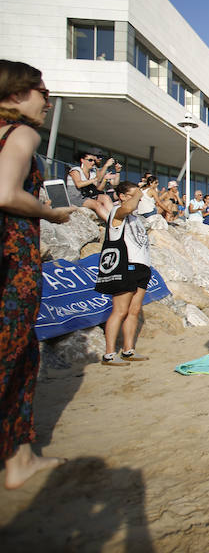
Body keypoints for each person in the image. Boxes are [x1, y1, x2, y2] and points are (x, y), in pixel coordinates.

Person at [0, 60, 75, 488]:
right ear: (15, 95)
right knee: (15, 355)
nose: (48, 102)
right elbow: (7, 193)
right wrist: (50, 213)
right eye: (42, 94)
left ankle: (20, 457)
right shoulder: (20, 133)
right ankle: (19, 462)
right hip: (13, 260)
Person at [94, 181, 152, 366]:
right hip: (125, 266)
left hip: (142, 267)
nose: (139, 198)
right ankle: (109, 354)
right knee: (120, 310)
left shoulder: (136, 218)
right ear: (123, 196)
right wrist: (137, 195)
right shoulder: (117, 212)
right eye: (134, 194)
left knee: (134, 311)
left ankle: (128, 350)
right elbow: (126, 208)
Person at [66, 149, 114, 220]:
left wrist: (105, 179)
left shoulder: (92, 173)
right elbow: (78, 184)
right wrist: (94, 179)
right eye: (90, 160)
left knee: (105, 197)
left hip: (87, 196)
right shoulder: (75, 170)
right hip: (75, 198)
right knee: (97, 204)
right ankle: (112, 225)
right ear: (82, 160)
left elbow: (99, 188)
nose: (93, 163)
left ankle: (115, 220)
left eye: (94, 161)